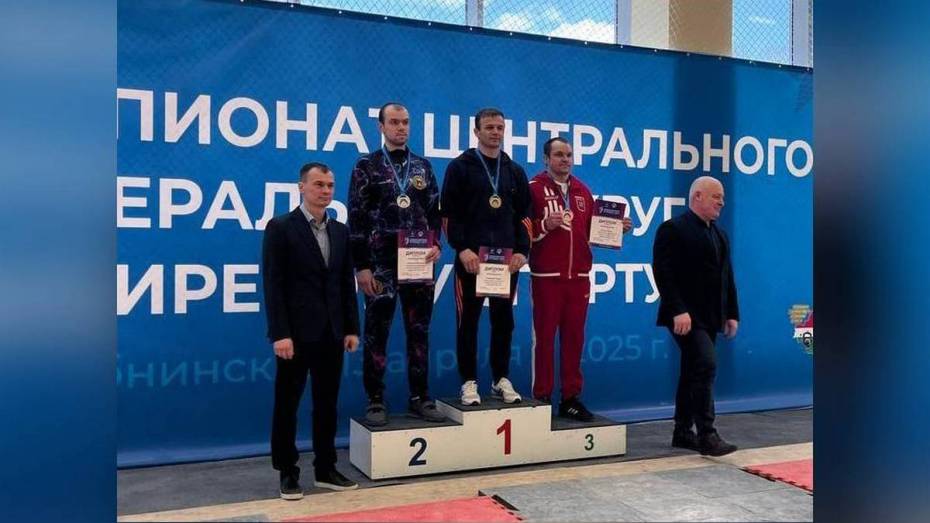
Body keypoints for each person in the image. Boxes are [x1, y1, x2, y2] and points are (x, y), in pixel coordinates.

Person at [262, 162, 360, 500]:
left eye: (330, 185)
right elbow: (273, 284)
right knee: (287, 404)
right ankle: (287, 472)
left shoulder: (341, 231)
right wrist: (280, 333)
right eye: (318, 184)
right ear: (301, 187)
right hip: (295, 335)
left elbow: (346, 282)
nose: (325, 191)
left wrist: (351, 327)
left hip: (332, 333)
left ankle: (326, 468)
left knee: (327, 404)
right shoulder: (280, 227)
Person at [347, 102, 444, 426]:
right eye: (394, 122)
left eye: (405, 122)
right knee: (377, 333)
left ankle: (420, 397)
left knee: (419, 331)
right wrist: (361, 266)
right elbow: (356, 218)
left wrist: (436, 244)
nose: (401, 127)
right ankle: (375, 399)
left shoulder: (422, 166)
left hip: (418, 262)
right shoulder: (367, 166)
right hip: (381, 264)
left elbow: (434, 212)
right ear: (381, 126)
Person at [527, 137, 632, 421]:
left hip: (579, 278)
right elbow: (521, 230)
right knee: (544, 339)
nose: (565, 159)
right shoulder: (533, 189)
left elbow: (591, 233)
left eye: (569, 155)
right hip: (547, 277)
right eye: (559, 154)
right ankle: (542, 397)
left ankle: (570, 398)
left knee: (574, 338)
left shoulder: (583, 191)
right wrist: (544, 225)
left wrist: (616, 228)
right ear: (546, 159)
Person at [440, 107, 531, 406]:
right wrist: (462, 248)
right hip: (472, 261)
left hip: (506, 263)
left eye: (499, 127)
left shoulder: (514, 171)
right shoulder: (460, 167)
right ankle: (468, 381)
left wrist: (522, 251)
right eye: (489, 127)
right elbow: (448, 213)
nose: (495, 132)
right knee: (468, 321)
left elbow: (525, 216)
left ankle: (500, 378)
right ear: (476, 131)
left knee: (504, 322)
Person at [652, 175, 740, 457]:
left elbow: (727, 277)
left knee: (693, 369)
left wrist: (731, 313)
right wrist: (678, 310)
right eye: (716, 196)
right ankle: (707, 434)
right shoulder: (672, 229)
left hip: (710, 316)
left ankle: (682, 431)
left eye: (723, 197)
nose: (722, 202)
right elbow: (663, 273)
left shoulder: (720, 234)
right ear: (697, 196)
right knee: (705, 364)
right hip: (684, 316)